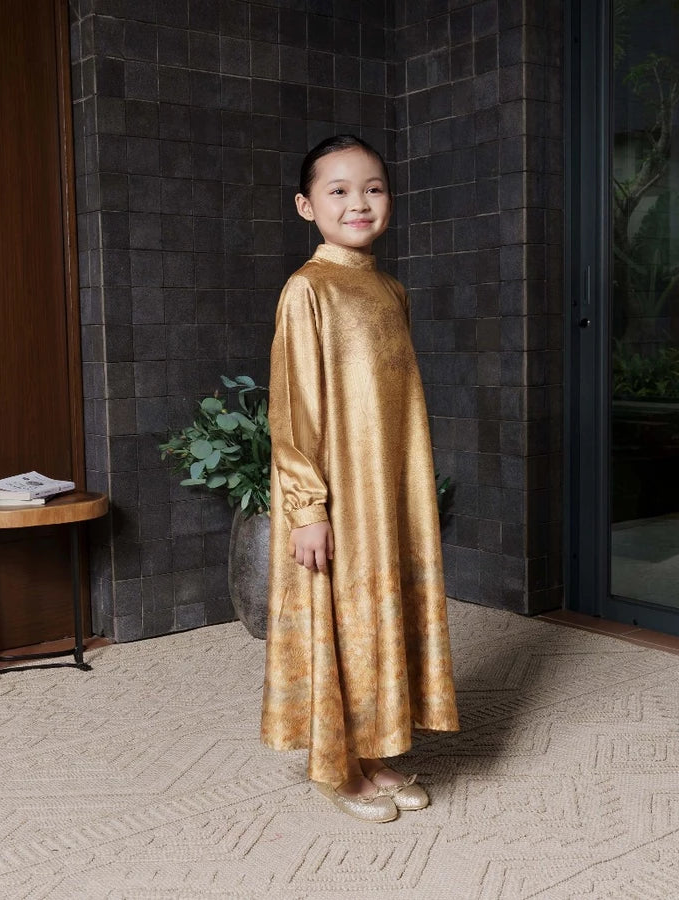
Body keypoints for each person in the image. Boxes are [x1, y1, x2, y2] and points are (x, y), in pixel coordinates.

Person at [261, 134, 459, 823]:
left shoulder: (388, 289)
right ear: (305, 205)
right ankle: (336, 766)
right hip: (335, 493)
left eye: (372, 188)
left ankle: (373, 751)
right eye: (337, 190)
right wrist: (305, 506)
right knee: (339, 618)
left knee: (381, 614)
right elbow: (292, 409)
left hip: (387, 491)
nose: (358, 202)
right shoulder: (307, 290)